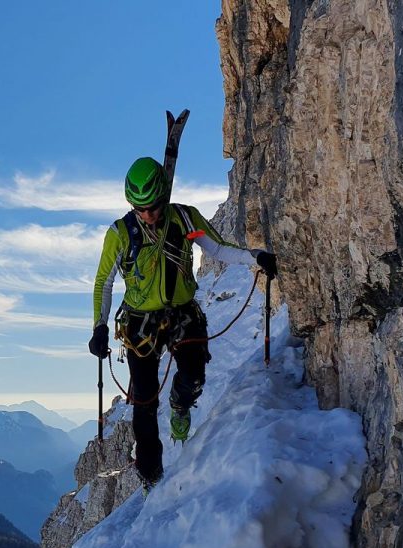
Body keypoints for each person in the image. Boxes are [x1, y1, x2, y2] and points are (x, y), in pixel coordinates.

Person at [88, 157, 278, 489]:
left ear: (164, 197)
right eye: (140, 208)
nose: (147, 214)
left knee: (193, 375)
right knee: (144, 403)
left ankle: (181, 406)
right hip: (139, 325)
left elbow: (216, 248)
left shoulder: (186, 218)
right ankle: (150, 476)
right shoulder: (119, 234)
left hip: (181, 312)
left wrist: (254, 256)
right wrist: (99, 326)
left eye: (153, 206)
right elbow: (104, 282)